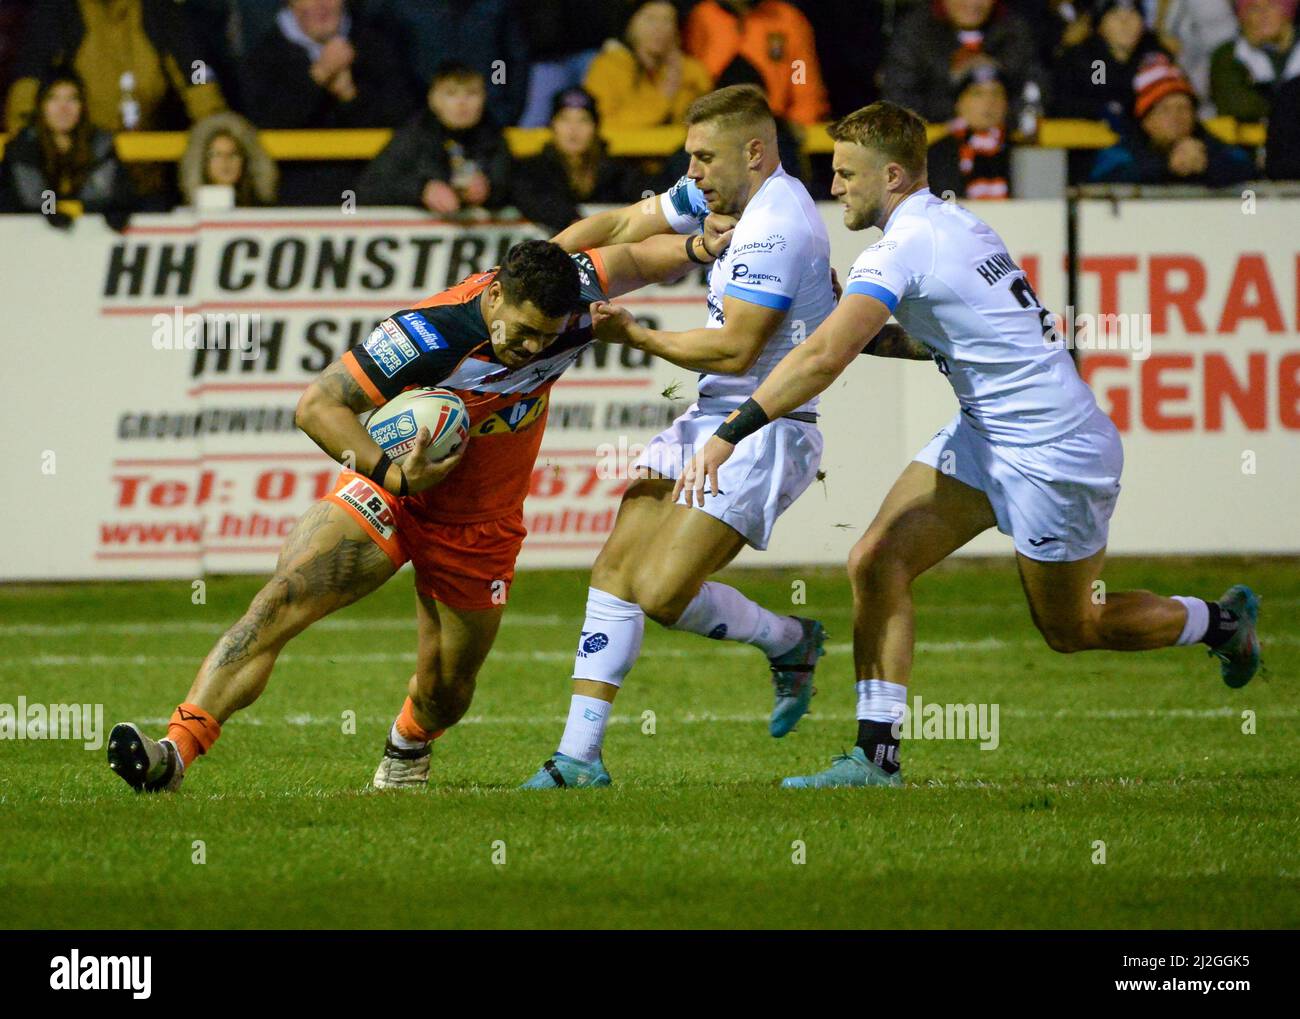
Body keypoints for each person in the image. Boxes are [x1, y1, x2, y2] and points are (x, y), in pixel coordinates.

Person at [676, 100, 1262, 789]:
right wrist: (853, 326)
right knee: (876, 559)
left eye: (846, 174)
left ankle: (1219, 624)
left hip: (1053, 452)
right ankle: (876, 756)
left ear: (891, 175)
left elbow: (824, 358)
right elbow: (937, 342)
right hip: (988, 432)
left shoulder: (903, 244)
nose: (834, 188)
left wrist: (728, 432)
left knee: (1074, 626)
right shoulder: (948, 224)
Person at [104, 231, 737, 794]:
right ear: (493, 297)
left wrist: (695, 249)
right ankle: (174, 753)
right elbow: (317, 405)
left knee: (446, 691)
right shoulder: (427, 334)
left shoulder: (570, 300)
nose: (531, 347)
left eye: (546, 337)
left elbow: (627, 253)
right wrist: (390, 472)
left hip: (479, 526)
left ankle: (409, 742)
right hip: (392, 494)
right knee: (282, 599)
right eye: (520, 331)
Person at [519, 84, 838, 790]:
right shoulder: (718, 195)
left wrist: (634, 333)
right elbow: (625, 224)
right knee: (613, 567)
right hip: (708, 414)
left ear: (753, 152)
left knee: (662, 593)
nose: (691, 174)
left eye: (703, 158)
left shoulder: (778, 223)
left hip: (766, 424)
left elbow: (735, 348)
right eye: (689, 158)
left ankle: (790, 640)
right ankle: (578, 757)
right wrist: (533, 270)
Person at [4, 0, 227, 201]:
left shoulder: (162, 11)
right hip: (84, 175)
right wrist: (26, 141)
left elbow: (197, 75)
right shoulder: (60, 11)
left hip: (149, 171)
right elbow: (29, 79)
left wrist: (217, 132)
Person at [242, 0, 418, 205]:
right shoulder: (261, 54)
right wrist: (318, 76)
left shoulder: (379, 46)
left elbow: (404, 124)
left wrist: (350, 95)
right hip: (290, 202)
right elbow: (259, 124)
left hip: (370, 198)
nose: (320, 4)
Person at [357, 62, 510, 215]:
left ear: (484, 98)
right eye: (451, 93)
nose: (462, 103)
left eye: (471, 93)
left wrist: (490, 190)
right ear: (433, 99)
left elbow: (517, 186)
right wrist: (422, 190)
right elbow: (369, 188)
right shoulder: (414, 135)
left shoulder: (493, 137)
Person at [1090, 54, 1255, 184]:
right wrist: (1166, 166)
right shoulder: (1126, 146)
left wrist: (1206, 164)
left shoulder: (1205, 140)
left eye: (1184, 108)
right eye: (1165, 110)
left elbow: (1247, 169)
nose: (1177, 117)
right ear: (1146, 120)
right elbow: (1102, 180)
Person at [0, 67, 134, 221]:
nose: (63, 108)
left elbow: (115, 194)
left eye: (72, 99)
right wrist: (51, 210)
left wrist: (114, 208)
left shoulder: (100, 144)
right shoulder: (24, 146)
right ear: (41, 105)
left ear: (82, 106)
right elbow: (31, 193)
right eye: (53, 98)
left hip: (90, 239)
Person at [511, 87, 649, 235]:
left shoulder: (619, 170)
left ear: (595, 127)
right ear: (553, 126)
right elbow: (532, 198)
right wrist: (572, 221)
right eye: (565, 119)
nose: (573, 130)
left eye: (583, 120)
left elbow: (648, 198)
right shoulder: (532, 170)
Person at [881, 0, 1045, 123]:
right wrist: (957, 112)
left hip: (1005, 152)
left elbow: (1037, 88)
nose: (972, 3)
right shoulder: (915, 32)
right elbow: (898, 101)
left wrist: (1001, 112)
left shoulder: (1014, 31)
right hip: (932, 154)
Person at [683, 0, 829, 126]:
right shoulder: (702, 17)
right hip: (714, 124)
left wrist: (799, 123)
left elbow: (802, 75)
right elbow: (691, 75)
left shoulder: (786, 18)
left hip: (774, 126)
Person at [584, 1, 713, 129]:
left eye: (667, 20)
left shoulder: (691, 70)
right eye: (650, 19)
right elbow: (604, 123)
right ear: (630, 26)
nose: (659, 28)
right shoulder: (608, 67)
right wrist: (664, 96)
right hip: (625, 147)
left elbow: (709, 120)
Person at [1051, 0, 1171, 125]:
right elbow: (1089, 100)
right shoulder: (1085, 59)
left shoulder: (1155, 57)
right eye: (1116, 17)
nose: (1125, 23)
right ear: (1101, 26)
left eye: (1133, 16)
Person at [927, 63, 1013, 199]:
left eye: (996, 93)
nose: (989, 101)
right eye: (978, 94)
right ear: (959, 103)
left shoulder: (1018, 150)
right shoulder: (937, 153)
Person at [1209, 0, 1300, 122]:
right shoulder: (1229, 55)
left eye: (1272, 5)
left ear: (1287, 11)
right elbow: (1236, 105)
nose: (1263, 14)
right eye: (1253, 8)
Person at [178, 111, 278, 208]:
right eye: (217, 154)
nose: (225, 161)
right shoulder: (187, 215)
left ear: (246, 160)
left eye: (233, 154)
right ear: (202, 161)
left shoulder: (262, 211)